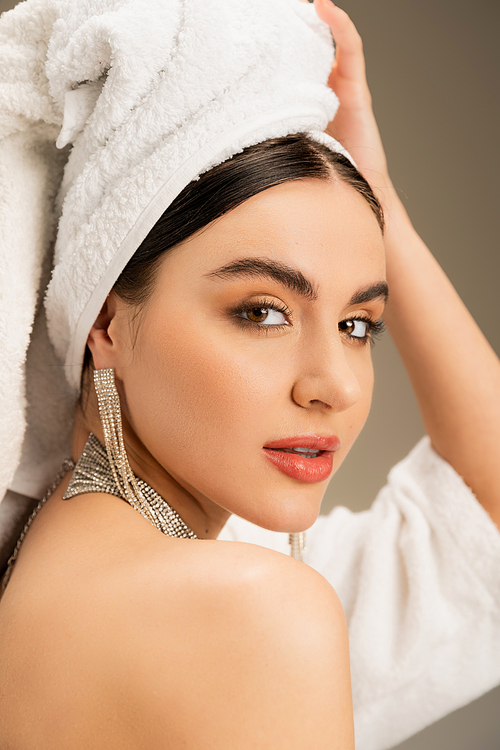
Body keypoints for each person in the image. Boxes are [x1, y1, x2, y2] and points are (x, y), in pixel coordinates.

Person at [0, 1, 499, 748]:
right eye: (262, 312)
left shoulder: (57, 573)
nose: (334, 384)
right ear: (105, 324)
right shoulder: (253, 613)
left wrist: (375, 195)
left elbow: (484, 529)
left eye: (358, 324)